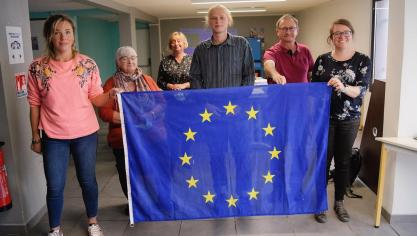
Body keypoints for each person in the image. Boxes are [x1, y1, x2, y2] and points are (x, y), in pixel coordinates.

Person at [27, 14, 117, 236]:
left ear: (73, 36)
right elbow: (34, 105)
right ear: (49, 36)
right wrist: (35, 137)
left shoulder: (87, 64)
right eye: (57, 32)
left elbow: (96, 97)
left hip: (85, 133)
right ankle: (55, 229)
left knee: (87, 180)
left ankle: (93, 222)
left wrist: (110, 95)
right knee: (55, 185)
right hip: (52, 136)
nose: (63, 37)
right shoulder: (37, 68)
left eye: (67, 32)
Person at [312, 19, 372, 223]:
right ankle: (320, 203)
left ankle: (339, 202)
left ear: (352, 34)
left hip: (350, 120)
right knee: (323, 162)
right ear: (331, 38)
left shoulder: (363, 60)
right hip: (324, 120)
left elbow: (360, 90)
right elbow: (314, 91)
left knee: (343, 162)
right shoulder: (321, 60)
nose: (341, 36)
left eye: (346, 32)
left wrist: (342, 86)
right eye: (336, 33)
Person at [98, 46, 161, 204]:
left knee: (151, 170)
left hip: (150, 136)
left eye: (133, 57)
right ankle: (135, 205)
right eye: (124, 58)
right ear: (117, 63)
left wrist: (151, 115)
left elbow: (162, 102)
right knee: (128, 173)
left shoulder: (148, 80)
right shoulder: (111, 84)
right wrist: (132, 119)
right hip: (123, 138)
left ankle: (154, 201)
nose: (130, 60)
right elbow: (104, 113)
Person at [190, 4, 255, 89]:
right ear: (209, 22)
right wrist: (204, 99)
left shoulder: (242, 44)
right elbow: (195, 78)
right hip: (209, 101)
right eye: (214, 18)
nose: (218, 21)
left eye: (222, 17)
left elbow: (249, 74)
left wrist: (241, 97)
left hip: (235, 101)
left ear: (229, 20)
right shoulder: (200, 49)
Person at [263, 14, 314, 84]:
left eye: (291, 28)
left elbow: (311, 74)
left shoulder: (305, 50)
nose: (288, 32)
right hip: (280, 95)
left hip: (303, 94)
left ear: (297, 30)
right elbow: (268, 65)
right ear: (277, 31)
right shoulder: (271, 52)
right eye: (284, 28)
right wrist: (275, 75)